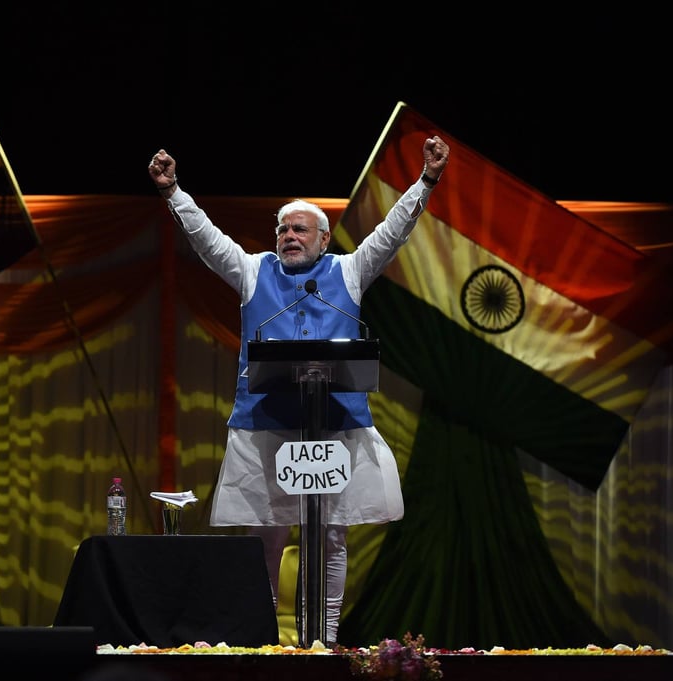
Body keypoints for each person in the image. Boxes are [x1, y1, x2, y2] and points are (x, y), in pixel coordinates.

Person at [147, 135, 450, 645]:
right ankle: (267, 639)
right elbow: (205, 237)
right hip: (266, 427)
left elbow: (392, 232)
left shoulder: (349, 272)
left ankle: (326, 640)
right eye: (283, 228)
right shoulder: (251, 270)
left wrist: (426, 180)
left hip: (335, 427)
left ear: (323, 239)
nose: (289, 235)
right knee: (267, 538)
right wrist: (173, 191)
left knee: (330, 536)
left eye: (300, 229)